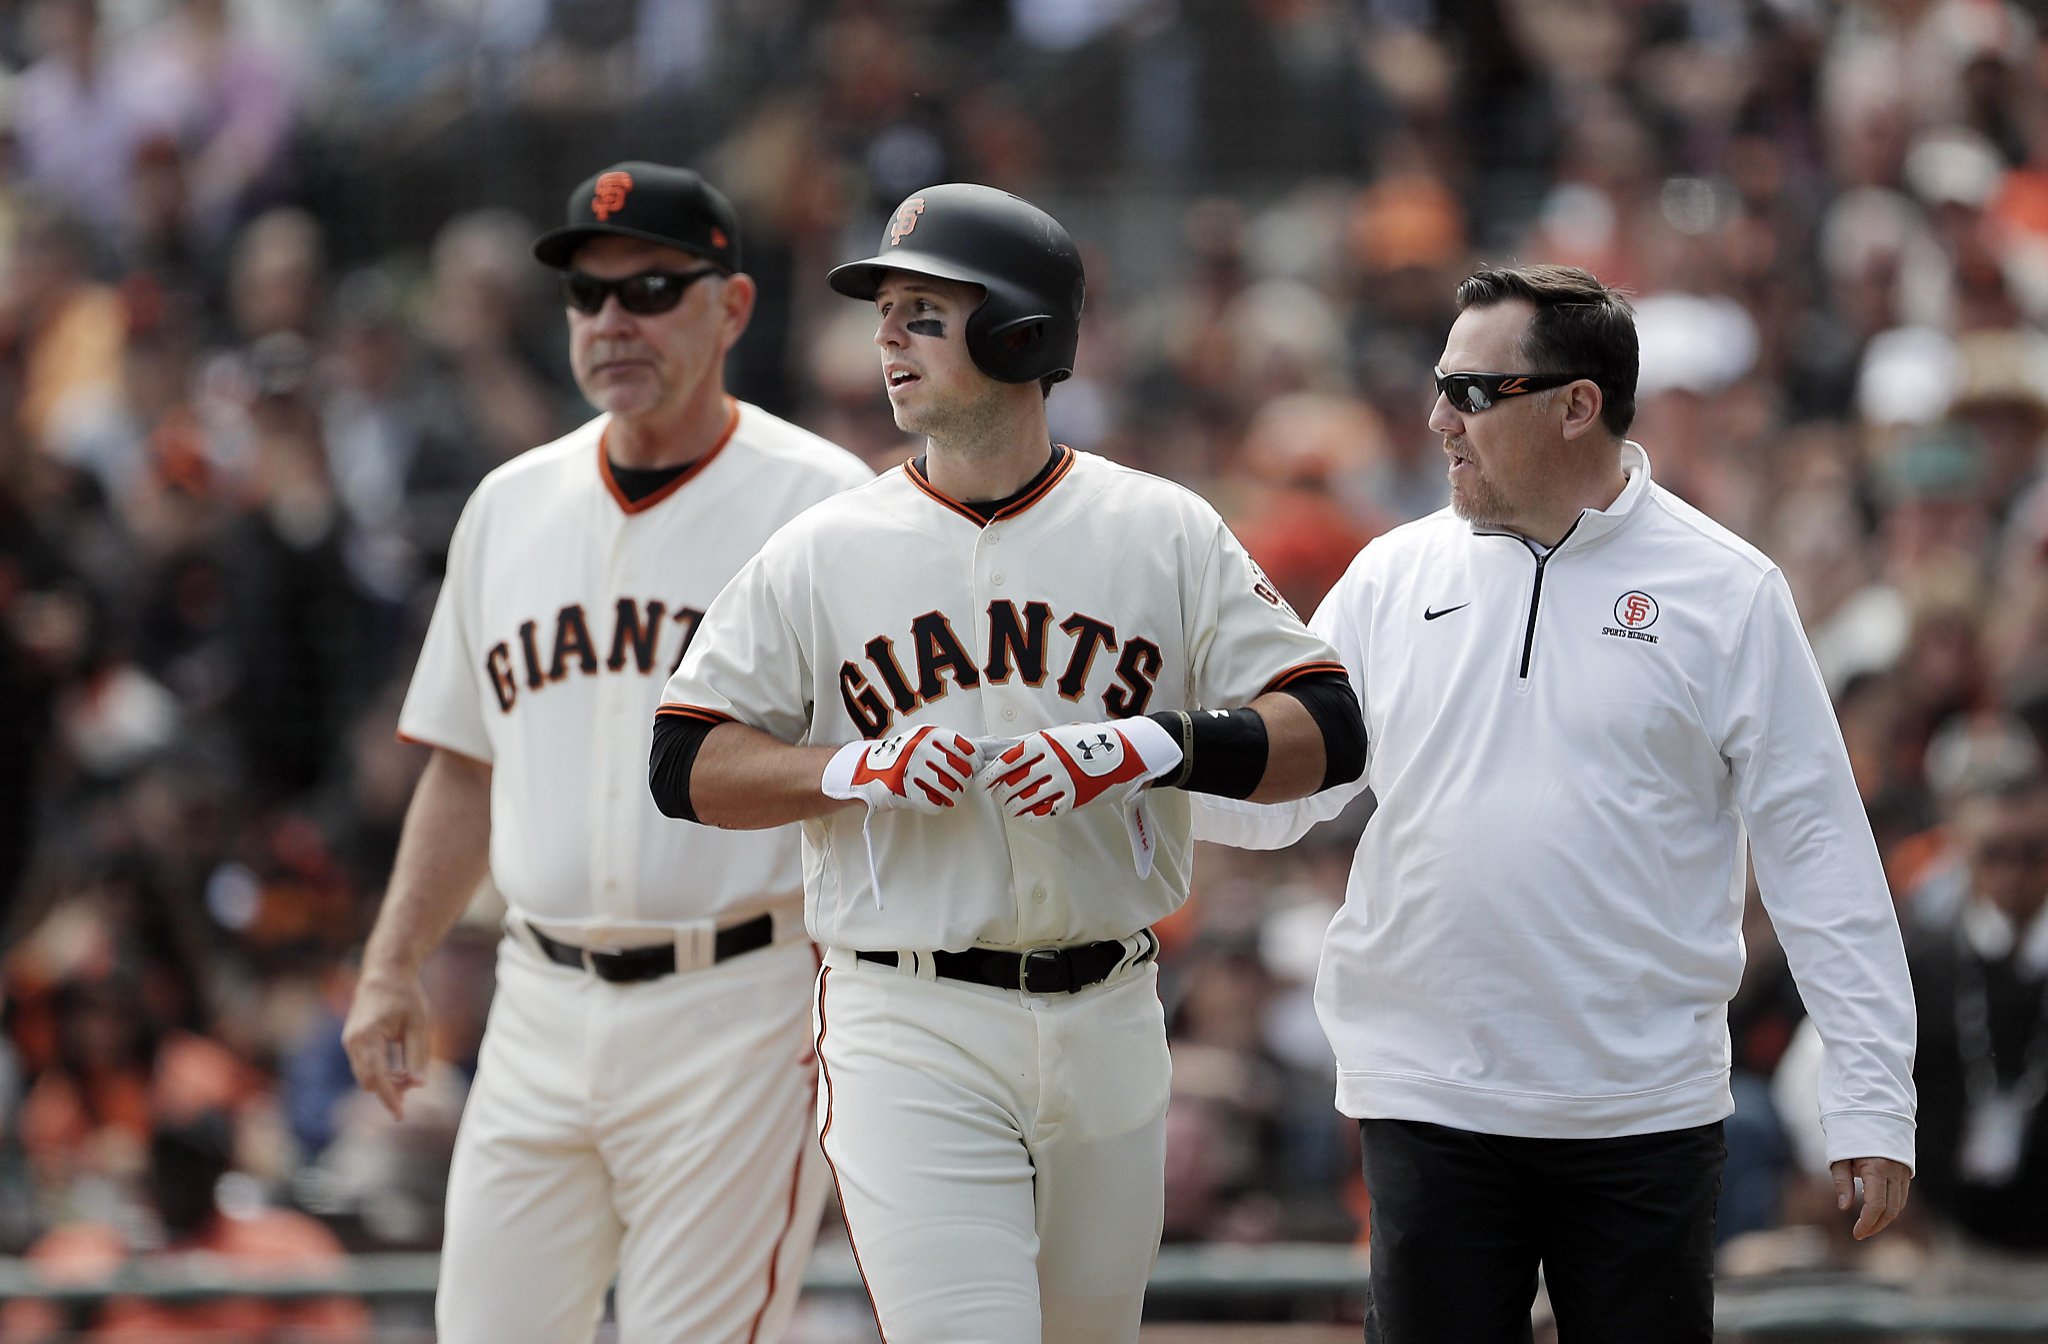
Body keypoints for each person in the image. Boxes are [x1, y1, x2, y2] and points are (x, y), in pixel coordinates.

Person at [649, 183, 1368, 1344]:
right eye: (885, 311)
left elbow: (1327, 731)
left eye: (922, 311)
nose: (886, 336)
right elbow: (682, 759)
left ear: (1021, 333)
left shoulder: (1159, 527)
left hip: (1111, 1012)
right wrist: (848, 772)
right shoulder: (823, 548)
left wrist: (1149, 746)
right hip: (905, 1011)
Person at [1195, 264, 1918, 1343]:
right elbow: (1282, 798)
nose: (1437, 418)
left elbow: (1815, 848)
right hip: (1426, 1096)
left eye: (1472, 391)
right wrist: (1135, 768)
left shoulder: (1727, 592)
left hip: (1645, 1110)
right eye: (1439, 385)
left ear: (1578, 406)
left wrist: (1870, 1097)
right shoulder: (1389, 578)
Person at [340, 161, 871, 1344]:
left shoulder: (823, 509)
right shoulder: (509, 502)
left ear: (731, 307)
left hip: (745, 1005)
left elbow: (875, 777)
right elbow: (462, 763)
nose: (612, 321)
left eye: (651, 289)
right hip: (534, 1002)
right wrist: (391, 963)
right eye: (587, 297)